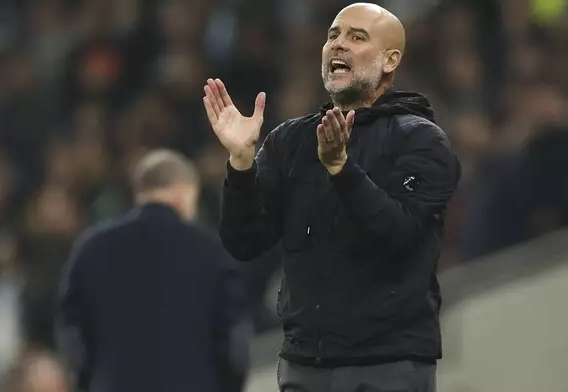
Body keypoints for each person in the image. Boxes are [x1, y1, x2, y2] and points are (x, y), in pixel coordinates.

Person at [202, 3, 461, 392]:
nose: (338, 44)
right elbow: (243, 241)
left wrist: (342, 169)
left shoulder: (421, 140)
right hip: (304, 367)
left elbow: (400, 234)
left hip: (387, 365)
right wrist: (240, 164)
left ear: (390, 60)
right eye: (333, 35)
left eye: (357, 37)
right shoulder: (290, 142)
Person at [56, 150, 252, 392]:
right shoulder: (211, 251)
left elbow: (73, 336)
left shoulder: (90, 250)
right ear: (184, 190)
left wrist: (92, 381)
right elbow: (235, 344)